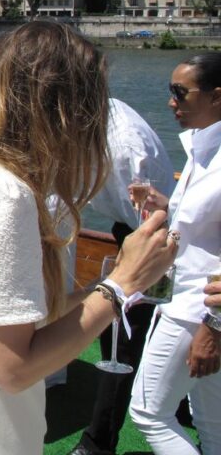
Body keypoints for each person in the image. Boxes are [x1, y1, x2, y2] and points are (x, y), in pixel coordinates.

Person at [0, 22, 178, 455]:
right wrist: (120, 284)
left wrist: (97, 290)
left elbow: (5, 316)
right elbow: (14, 368)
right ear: (67, 111)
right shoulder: (7, 195)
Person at [70, 98, 176, 455]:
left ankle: (97, 444)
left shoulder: (127, 147)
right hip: (130, 228)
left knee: (120, 342)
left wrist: (133, 270)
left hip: (150, 236)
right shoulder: (90, 119)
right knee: (123, 337)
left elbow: (151, 219)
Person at [129, 53, 221, 455]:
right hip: (193, 306)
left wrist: (213, 329)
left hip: (197, 311)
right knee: (213, 425)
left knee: (149, 413)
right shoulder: (203, 149)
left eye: (180, 93)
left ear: (216, 97)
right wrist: (166, 204)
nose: (171, 102)